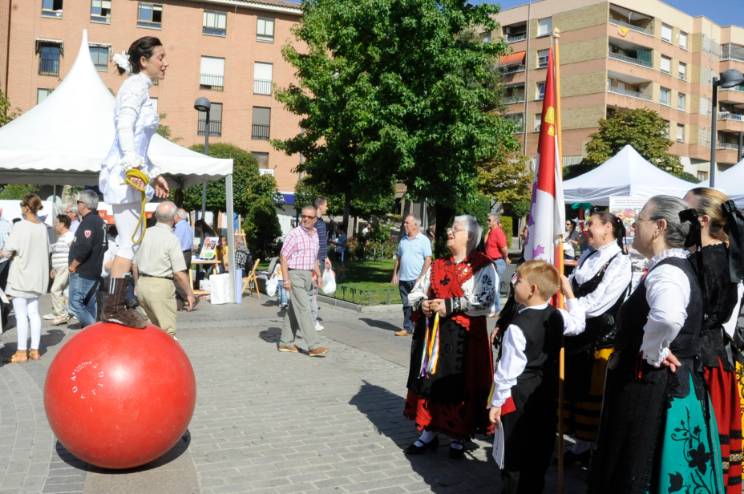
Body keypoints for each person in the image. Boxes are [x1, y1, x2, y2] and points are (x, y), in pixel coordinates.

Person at [589, 195, 723, 493]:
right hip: (666, 385)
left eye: (639, 220)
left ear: (660, 226)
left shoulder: (668, 271)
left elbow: (667, 317)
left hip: (655, 391)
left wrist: (653, 350)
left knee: (640, 468)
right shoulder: (674, 266)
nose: (634, 226)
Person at [403, 215, 495, 459]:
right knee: (431, 381)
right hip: (435, 336)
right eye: (451, 227)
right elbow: (417, 291)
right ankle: (429, 431)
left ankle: (458, 435)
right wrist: (423, 304)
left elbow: (486, 301)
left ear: (470, 237)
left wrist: (450, 305)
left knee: (459, 384)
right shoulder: (438, 264)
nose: (449, 231)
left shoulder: (482, 265)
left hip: (464, 338)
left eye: (456, 229)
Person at [489, 260, 584, 493]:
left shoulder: (517, 327)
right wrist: (569, 293)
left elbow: (507, 372)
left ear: (532, 289)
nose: (513, 283)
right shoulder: (557, 315)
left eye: (518, 280)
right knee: (539, 448)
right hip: (545, 391)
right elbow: (579, 324)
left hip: (519, 395)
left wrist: (496, 403)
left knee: (514, 452)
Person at [100, 36, 170, 328]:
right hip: (124, 176)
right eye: (160, 57)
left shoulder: (140, 88)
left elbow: (139, 143)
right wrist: (132, 165)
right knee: (128, 244)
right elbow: (124, 127)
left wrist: (152, 173)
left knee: (131, 243)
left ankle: (117, 303)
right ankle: (114, 306)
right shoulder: (134, 87)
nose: (165, 63)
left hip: (131, 175)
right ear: (144, 61)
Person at [684, 187, 743, 491]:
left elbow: (707, 314)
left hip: (704, 361)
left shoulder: (713, 259)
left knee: (703, 443)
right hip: (710, 357)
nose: (679, 218)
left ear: (702, 219)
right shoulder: (710, 256)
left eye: (685, 211)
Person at [562, 211, 632, 465]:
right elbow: (573, 286)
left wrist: (568, 304)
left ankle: (594, 449)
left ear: (607, 228)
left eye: (590, 224)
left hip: (600, 339)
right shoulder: (587, 255)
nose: (585, 228)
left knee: (594, 395)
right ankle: (580, 447)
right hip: (577, 335)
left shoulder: (620, 262)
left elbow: (598, 304)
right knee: (575, 390)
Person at [134, 202, 195, 338]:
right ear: (174, 218)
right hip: (161, 285)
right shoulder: (171, 239)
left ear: (156, 216)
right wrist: (189, 293)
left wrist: (137, 283)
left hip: (143, 283)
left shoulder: (144, 234)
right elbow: (179, 273)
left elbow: (134, 264)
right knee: (167, 333)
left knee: (148, 331)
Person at [0, 194, 49, 363]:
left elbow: (8, 250)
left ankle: (21, 351)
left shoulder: (20, 226)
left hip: (21, 275)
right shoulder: (42, 227)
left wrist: (3, 252)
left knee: (21, 315)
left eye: (22, 206)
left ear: (26, 208)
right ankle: (34, 349)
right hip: (37, 276)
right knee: (33, 313)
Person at [277, 205, 329, 357]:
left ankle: (285, 342)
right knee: (304, 309)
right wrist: (286, 280)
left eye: (309, 217)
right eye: (303, 216)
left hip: (308, 276)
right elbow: (283, 257)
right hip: (295, 275)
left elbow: (313, 258)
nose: (305, 219)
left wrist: (319, 275)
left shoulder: (315, 235)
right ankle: (314, 345)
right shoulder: (295, 234)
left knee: (294, 310)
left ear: (315, 219)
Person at [67, 190, 107, 329]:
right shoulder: (99, 221)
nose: (77, 205)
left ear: (83, 204)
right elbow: (104, 245)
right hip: (94, 269)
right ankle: (92, 332)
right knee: (89, 303)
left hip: (83, 271)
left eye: (78, 202)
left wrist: (73, 265)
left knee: (75, 304)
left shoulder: (89, 222)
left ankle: (94, 330)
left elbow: (85, 247)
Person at [392, 215, 432, 337]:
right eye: (404, 222)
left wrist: (421, 276)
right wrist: (395, 274)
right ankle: (407, 328)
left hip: (417, 279)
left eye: (407, 223)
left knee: (420, 305)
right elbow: (398, 258)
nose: (404, 225)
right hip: (403, 278)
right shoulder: (403, 240)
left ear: (415, 225)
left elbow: (428, 259)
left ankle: (422, 329)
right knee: (406, 305)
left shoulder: (423, 240)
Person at [45, 215, 74, 325]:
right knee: (64, 291)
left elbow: (74, 250)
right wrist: (54, 268)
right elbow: (57, 253)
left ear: (63, 224)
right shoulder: (62, 237)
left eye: (56, 223)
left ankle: (60, 314)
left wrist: (71, 266)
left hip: (64, 267)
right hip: (59, 268)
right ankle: (63, 313)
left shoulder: (69, 236)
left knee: (55, 290)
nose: (54, 226)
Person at [311, 197, 331, 331]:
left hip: (321, 259)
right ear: (320, 206)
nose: (327, 208)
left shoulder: (321, 221)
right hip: (315, 262)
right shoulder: (314, 222)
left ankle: (311, 319)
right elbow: (312, 243)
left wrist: (326, 257)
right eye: (326, 205)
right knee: (312, 291)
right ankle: (312, 321)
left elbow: (321, 242)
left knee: (315, 291)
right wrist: (316, 260)